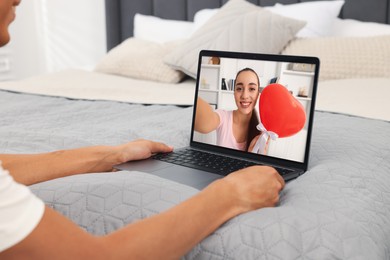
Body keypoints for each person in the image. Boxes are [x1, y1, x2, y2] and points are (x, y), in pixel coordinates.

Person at [0, 1, 285, 259]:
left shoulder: (262, 135)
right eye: (239, 87)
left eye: (252, 88)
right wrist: (230, 194)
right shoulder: (216, 117)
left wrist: (112, 155)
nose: (19, 0)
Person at [195, 68, 267, 153]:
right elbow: (205, 123)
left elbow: (259, 165)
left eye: (251, 89)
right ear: (234, 93)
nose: (245, 96)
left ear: (258, 95)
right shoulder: (223, 116)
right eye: (239, 88)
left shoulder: (262, 131)